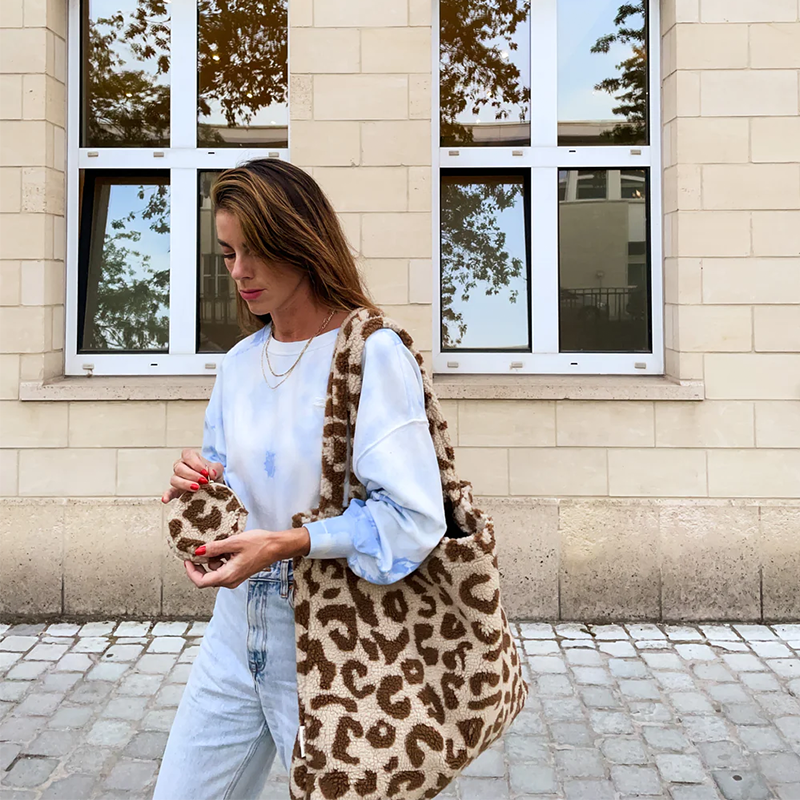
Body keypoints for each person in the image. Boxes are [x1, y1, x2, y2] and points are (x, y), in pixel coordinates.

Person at [153, 158, 447, 800]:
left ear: (300, 239)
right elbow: (222, 481)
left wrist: (286, 543)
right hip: (235, 629)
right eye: (228, 252)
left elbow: (415, 516)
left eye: (254, 250)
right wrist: (193, 486)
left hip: (332, 636)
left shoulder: (371, 354)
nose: (238, 272)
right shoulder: (237, 364)